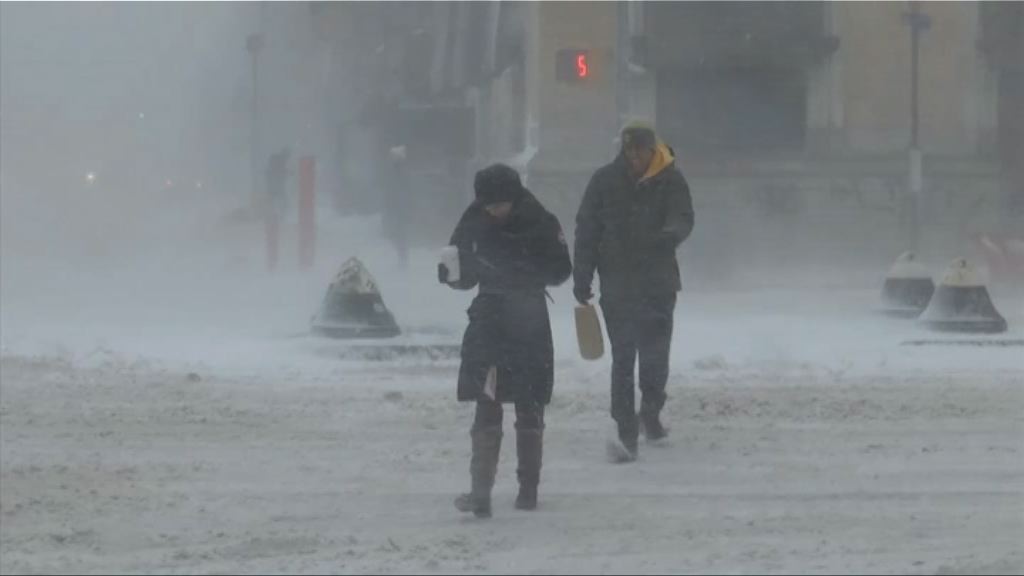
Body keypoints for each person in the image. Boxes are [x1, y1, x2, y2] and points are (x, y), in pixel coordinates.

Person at [439, 163, 572, 517]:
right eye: (488, 205)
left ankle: (528, 489)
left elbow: (561, 269)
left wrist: (525, 269)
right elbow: (464, 271)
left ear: (514, 198)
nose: (494, 211)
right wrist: (452, 276)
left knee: (530, 406)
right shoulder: (473, 219)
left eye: (500, 204)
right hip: (490, 320)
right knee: (487, 404)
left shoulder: (541, 221)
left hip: (528, 320)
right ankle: (480, 493)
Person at [573, 121, 695, 463]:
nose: (633, 158)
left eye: (639, 151)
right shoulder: (604, 181)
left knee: (655, 356)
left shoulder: (670, 179)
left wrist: (667, 236)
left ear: (651, 149)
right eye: (628, 152)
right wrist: (582, 275)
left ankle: (651, 410)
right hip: (618, 283)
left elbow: (684, 217)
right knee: (623, 358)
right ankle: (626, 429)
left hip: (658, 283)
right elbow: (587, 230)